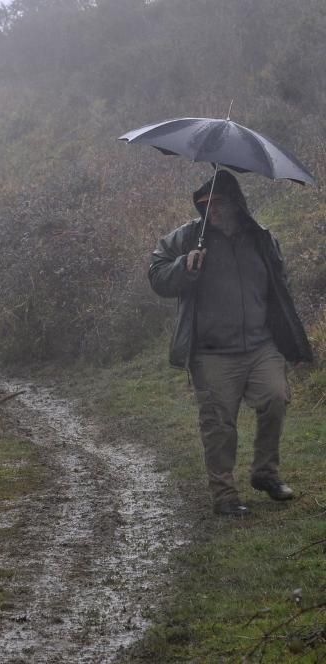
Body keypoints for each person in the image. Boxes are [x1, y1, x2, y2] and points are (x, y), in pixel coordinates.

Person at [148, 170, 314, 517]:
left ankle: (266, 475)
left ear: (237, 203)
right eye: (206, 205)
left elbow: (279, 290)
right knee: (219, 424)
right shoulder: (188, 237)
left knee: (276, 398)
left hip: (260, 345)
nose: (213, 211)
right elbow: (157, 274)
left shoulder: (262, 238)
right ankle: (224, 496)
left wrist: (291, 341)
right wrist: (184, 266)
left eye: (219, 203)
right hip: (211, 353)